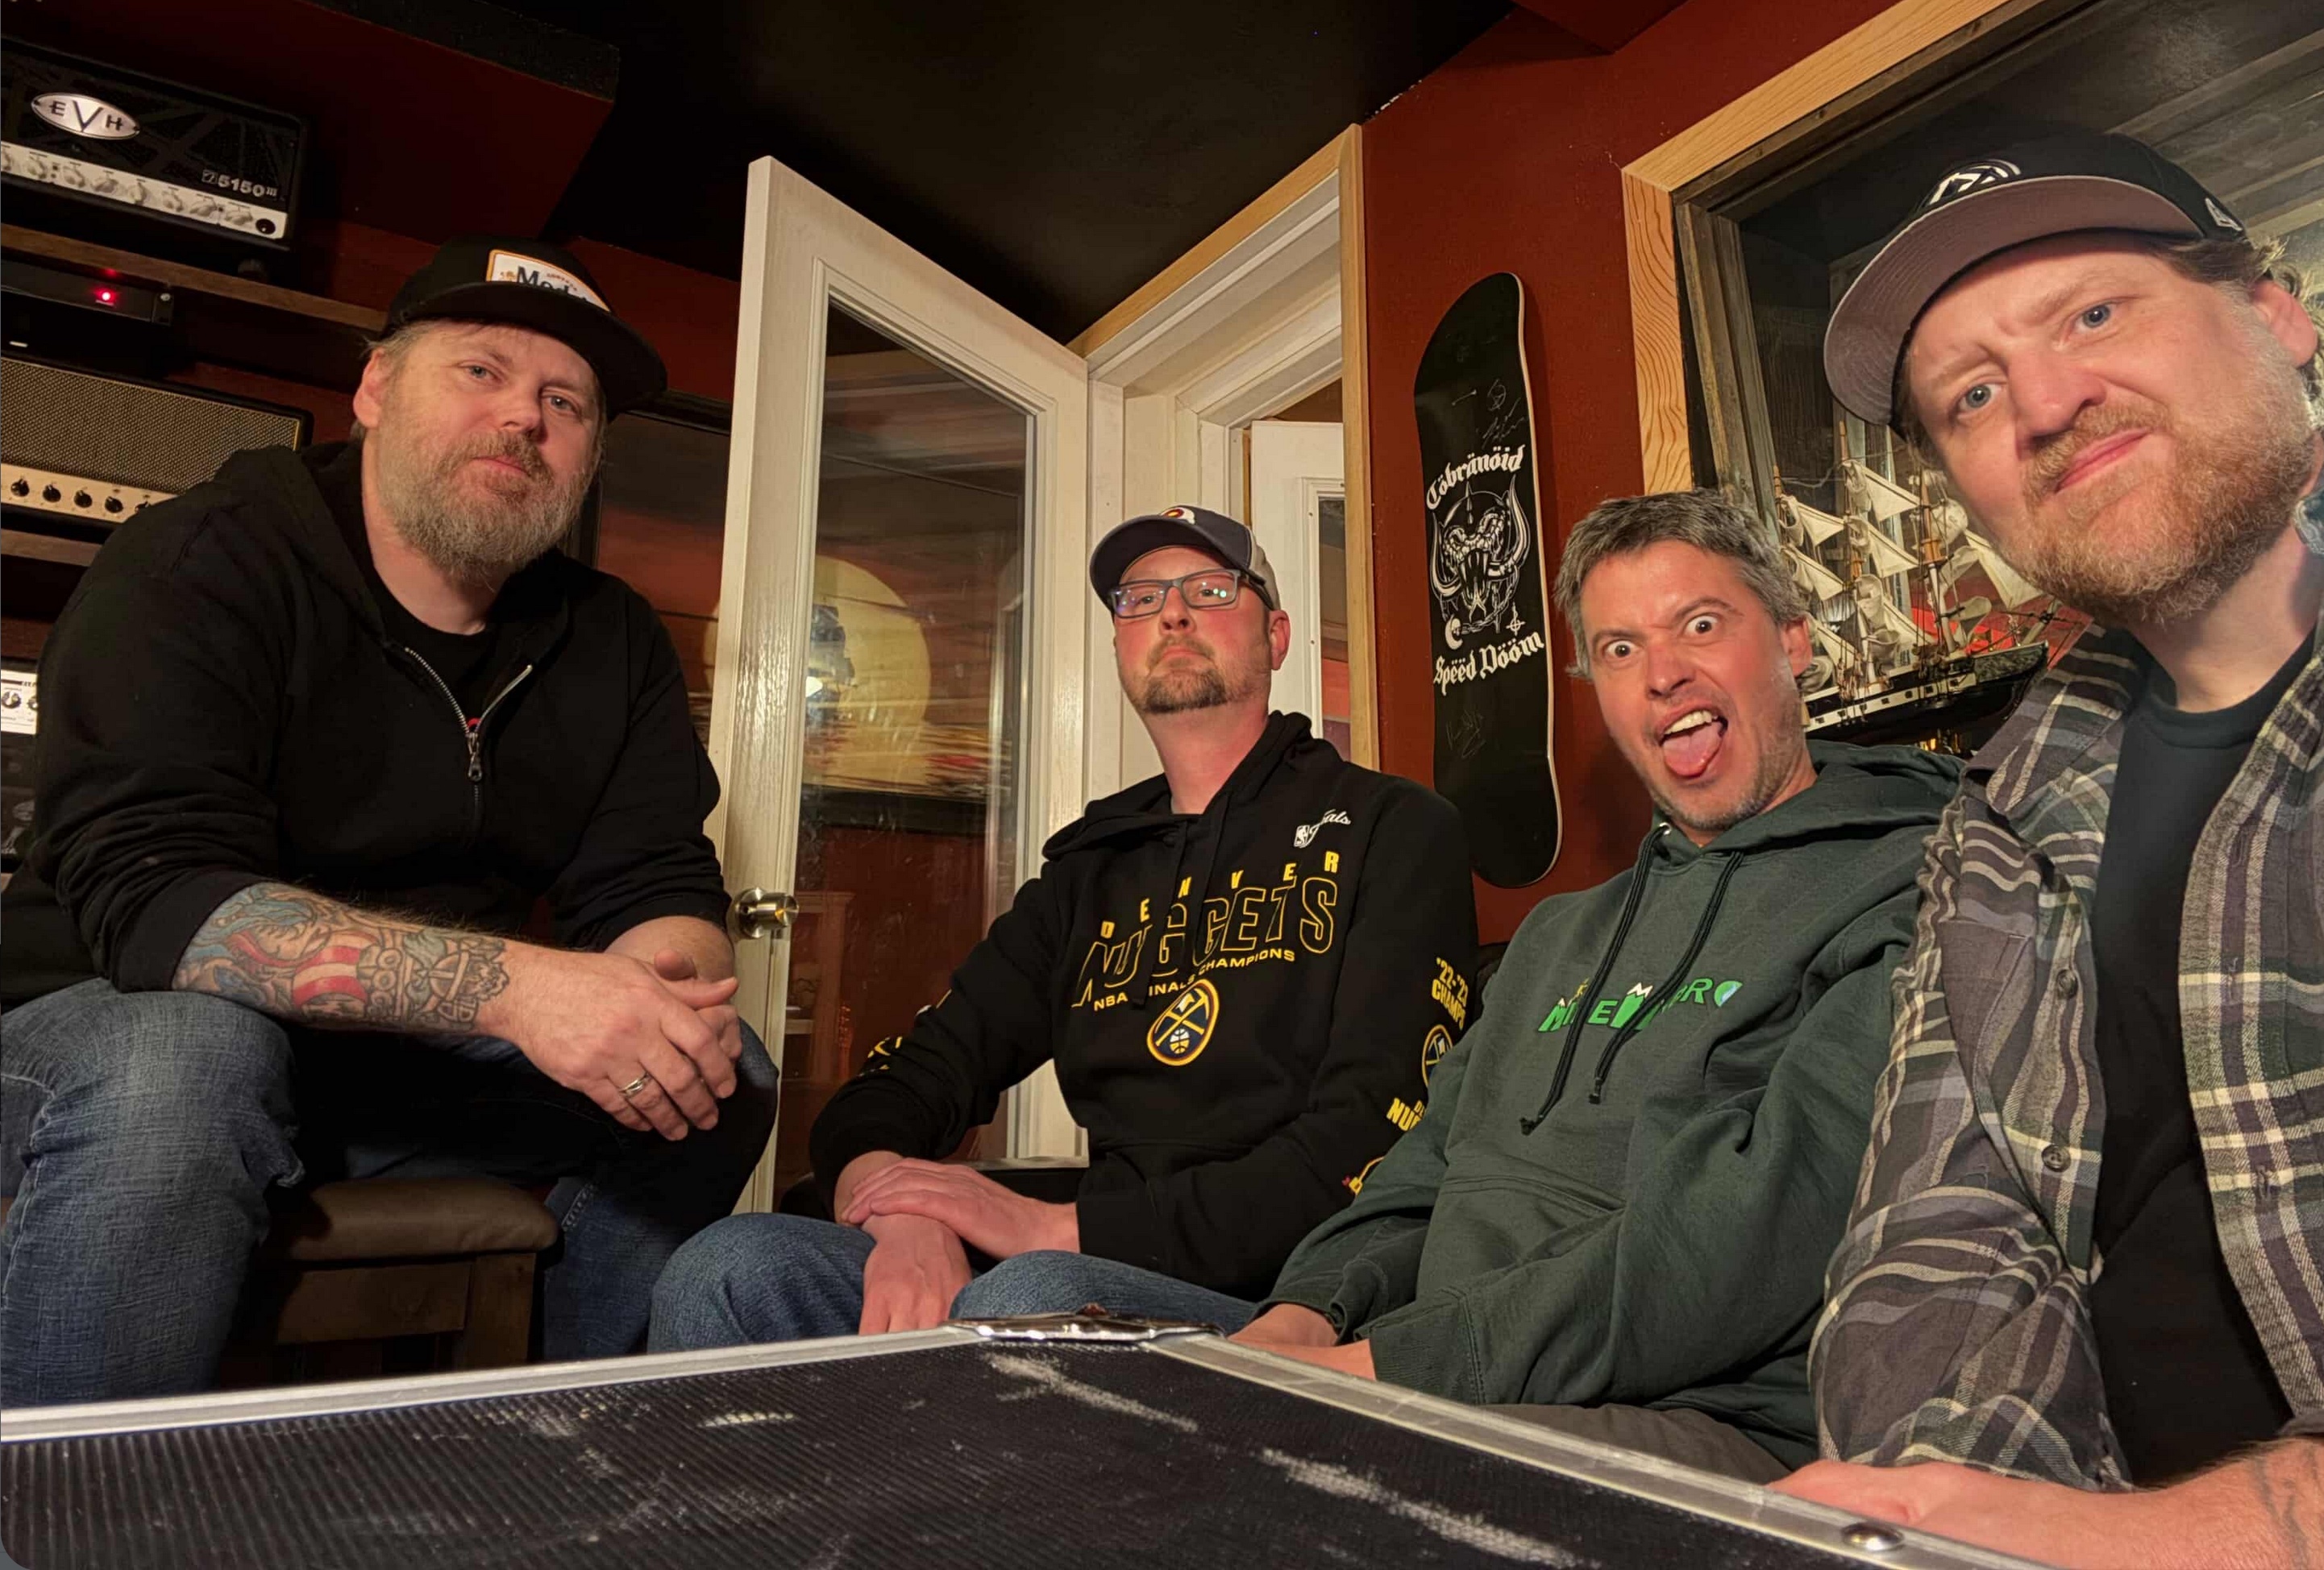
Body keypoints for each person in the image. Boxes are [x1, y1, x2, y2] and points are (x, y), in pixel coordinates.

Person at [0, 237, 779, 1406]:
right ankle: (71, 1494)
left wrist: (658, 995)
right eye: (481, 370)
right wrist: (522, 989)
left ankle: (535, 1441)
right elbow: (163, 903)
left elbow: (654, 878)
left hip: (392, 1066)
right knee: (191, 1055)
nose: (523, 417)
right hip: (99, 1026)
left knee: (716, 1077)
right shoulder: (203, 557)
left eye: (565, 402)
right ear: (374, 387)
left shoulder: (611, 637)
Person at [1785, 132, 2324, 1568]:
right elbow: (1940, 1223)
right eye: (1973, 393)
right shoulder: (1999, 811)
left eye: (2094, 313)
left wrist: (2283, 1519)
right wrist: (1974, 1511)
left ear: (2275, 313)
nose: (2047, 404)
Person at [1229, 488, 1958, 1482]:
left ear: (1792, 640)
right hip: (1428, 1367)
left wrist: (1383, 1370)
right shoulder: (1556, 934)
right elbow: (1422, 1170)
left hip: (1692, 1413)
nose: (1662, 673)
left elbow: (1753, 1231)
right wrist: (1299, 1317)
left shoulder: (1913, 885)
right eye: (1619, 648)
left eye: (1699, 624)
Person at [650, 506, 1476, 1346]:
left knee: (1032, 1290)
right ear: (1120, 642)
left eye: (1210, 589)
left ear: (1277, 635)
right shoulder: (1091, 869)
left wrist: (1053, 1228)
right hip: (1091, 1262)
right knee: (730, 1263)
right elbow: (905, 1083)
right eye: (1140, 597)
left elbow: (1372, 1137)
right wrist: (907, 1211)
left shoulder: (1392, 827)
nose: (1172, 613)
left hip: (1289, 1291)